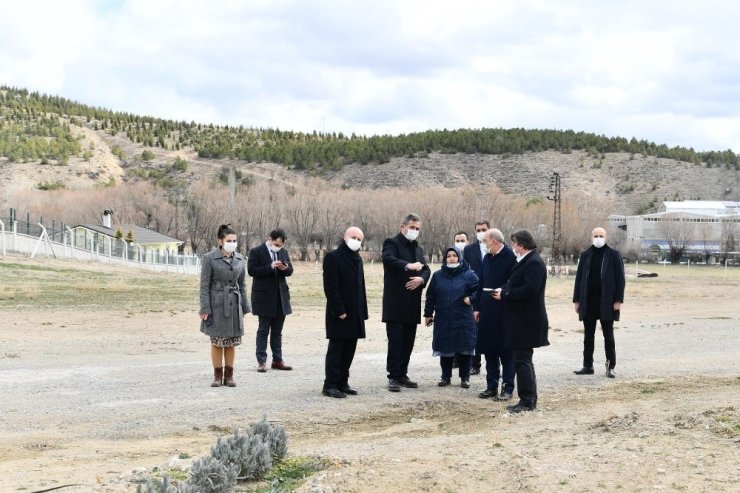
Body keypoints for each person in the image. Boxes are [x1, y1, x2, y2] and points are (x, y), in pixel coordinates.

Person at [493, 230, 549, 413]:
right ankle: (528, 397)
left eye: (514, 243)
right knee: (523, 359)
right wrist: (501, 289)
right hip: (520, 319)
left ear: (522, 245)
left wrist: (506, 294)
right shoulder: (525, 261)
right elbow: (514, 283)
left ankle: (527, 400)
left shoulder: (533, 263)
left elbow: (530, 290)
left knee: (522, 359)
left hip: (527, 320)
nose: (513, 247)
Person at [382, 213, 431, 392]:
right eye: (412, 227)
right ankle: (393, 376)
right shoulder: (392, 243)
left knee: (408, 341)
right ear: (402, 227)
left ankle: (403, 374)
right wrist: (408, 265)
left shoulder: (418, 248)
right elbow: (388, 259)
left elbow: (426, 269)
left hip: (412, 302)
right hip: (395, 301)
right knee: (395, 340)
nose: (414, 231)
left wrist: (422, 280)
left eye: (417, 228)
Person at [199, 224, 250, 387]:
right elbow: (204, 285)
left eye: (235, 240)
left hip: (234, 305)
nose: (233, 243)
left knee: (231, 342)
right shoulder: (209, 258)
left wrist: (245, 307)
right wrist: (205, 307)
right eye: (229, 240)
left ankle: (229, 376)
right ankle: (217, 375)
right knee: (216, 342)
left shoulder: (240, 259)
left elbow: (242, 285)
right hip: (216, 304)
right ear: (220, 241)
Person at [321, 227, 368, 398]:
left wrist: (363, 312)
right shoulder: (333, 258)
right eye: (353, 237)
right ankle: (330, 384)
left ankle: (343, 382)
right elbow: (330, 288)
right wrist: (339, 310)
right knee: (337, 348)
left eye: (359, 238)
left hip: (355, 313)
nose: (356, 240)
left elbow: (360, 287)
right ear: (345, 237)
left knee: (349, 349)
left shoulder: (358, 259)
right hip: (339, 313)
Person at [572, 227, 625, 378]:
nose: (598, 238)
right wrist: (577, 300)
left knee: (608, 336)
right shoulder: (585, 255)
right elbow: (579, 279)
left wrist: (618, 300)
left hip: (607, 302)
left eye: (601, 236)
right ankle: (587, 366)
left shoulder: (614, 255)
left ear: (606, 237)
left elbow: (620, 279)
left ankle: (610, 367)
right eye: (595, 235)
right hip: (588, 302)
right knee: (588, 336)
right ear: (591, 237)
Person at [424, 247, 479, 388]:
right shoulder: (437, 276)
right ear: (445, 258)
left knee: (465, 349)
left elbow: (479, 291)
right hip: (443, 317)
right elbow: (430, 296)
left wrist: (471, 298)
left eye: (455, 255)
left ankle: (465, 378)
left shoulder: (469, 275)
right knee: (445, 349)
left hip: (463, 318)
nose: (452, 258)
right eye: (449, 256)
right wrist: (428, 314)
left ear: (460, 257)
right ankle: (445, 377)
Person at [474, 229, 517, 400]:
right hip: (486, 308)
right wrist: (476, 307)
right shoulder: (486, 258)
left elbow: (513, 283)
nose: (483, 244)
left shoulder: (510, 258)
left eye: (485, 241)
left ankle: (507, 388)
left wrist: (504, 292)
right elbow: (481, 283)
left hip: (503, 309)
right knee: (489, 350)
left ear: (495, 242)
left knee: (505, 351)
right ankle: (491, 386)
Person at [247, 229, 294, 372]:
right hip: (264, 298)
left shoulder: (283, 251)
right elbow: (251, 271)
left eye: (281, 245)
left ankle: (277, 360)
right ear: (269, 239)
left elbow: (290, 270)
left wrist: (284, 268)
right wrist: (270, 266)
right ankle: (261, 361)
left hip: (281, 297)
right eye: (276, 244)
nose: (278, 247)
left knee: (277, 331)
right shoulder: (256, 251)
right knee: (263, 330)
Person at [463, 220, 490, 375]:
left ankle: (495, 363)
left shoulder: (497, 247)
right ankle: (475, 364)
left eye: (484, 229)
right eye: (478, 230)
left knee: (493, 330)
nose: (481, 232)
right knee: (475, 331)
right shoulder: (469, 249)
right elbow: (466, 271)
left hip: (492, 293)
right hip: (475, 293)